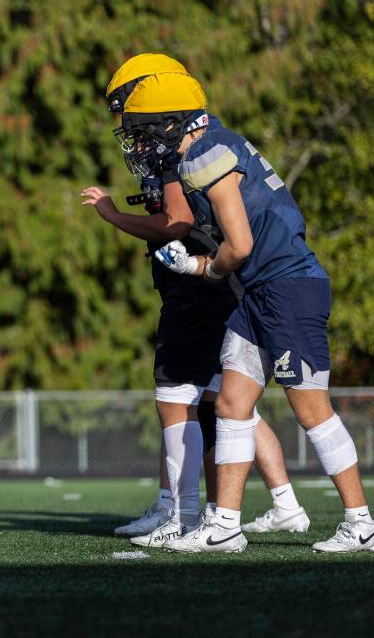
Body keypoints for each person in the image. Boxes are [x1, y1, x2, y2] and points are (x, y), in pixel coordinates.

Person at [121, 71, 372, 553]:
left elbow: (239, 245)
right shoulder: (213, 138)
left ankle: (361, 521)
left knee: (311, 409)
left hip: (286, 288)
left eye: (144, 131)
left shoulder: (201, 156)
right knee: (233, 404)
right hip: (260, 291)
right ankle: (225, 527)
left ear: (169, 125)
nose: (140, 143)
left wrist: (201, 268)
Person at [85, 54, 309, 547]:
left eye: (134, 116)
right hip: (212, 282)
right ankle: (277, 503)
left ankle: (185, 513)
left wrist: (114, 216)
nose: (130, 130)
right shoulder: (197, 141)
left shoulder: (183, 149)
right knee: (226, 401)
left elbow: (180, 222)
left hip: (204, 282)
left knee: (186, 397)